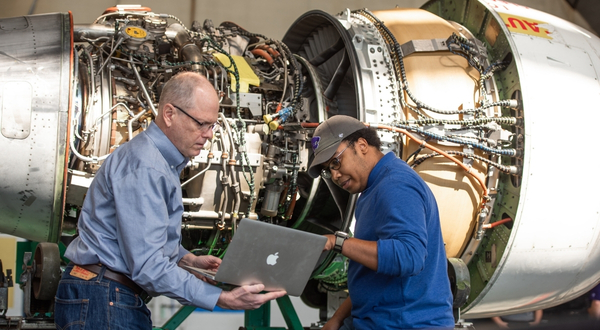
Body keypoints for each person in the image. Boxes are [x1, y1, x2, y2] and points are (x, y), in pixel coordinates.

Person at [54, 72, 286, 329]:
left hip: (106, 295)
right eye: (202, 124)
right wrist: (221, 298)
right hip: (104, 298)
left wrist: (187, 260)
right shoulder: (147, 166)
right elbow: (147, 265)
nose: (209, 135)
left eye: (213, 125)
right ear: (169, 114)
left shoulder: (159, 162)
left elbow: (143, 239)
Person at [307, 115, 454, 329]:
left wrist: (337, 242)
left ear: (362, 145)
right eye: (328, 170)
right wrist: (337, 319)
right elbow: (373, 275)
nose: (335, 175)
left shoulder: (395, 185)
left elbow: (409, 256)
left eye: (336, 162)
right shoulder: (374, 188)